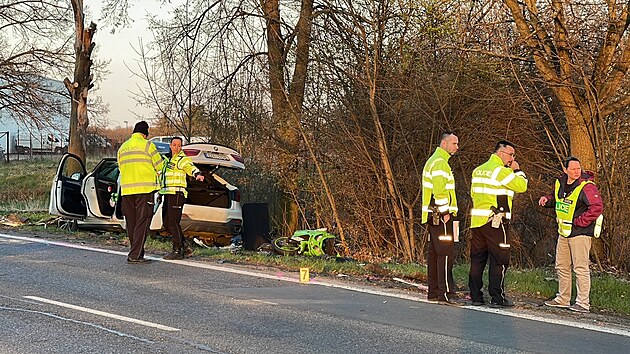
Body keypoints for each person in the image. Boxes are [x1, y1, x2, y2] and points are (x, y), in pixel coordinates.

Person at [539, 157, 603, 313]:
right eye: (573, 169)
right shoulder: (560, 183)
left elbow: (597, 207)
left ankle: (582, 303)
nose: (576, 171)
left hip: (580, 233)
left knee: (580, 268)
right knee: (561, 266)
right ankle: (563, 299)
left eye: (578, 168)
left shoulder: (587, 187)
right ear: (565, 170)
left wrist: (580, 222)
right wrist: (547, 200)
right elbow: (560, 200)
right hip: (564, 232)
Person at [468, 140, 528, 307]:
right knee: (500, 259)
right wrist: (518, 170)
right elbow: (521, 186)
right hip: (496, 221)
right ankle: (497, 297)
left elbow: (474, 194)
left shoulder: (478, 170)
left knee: (477, 259)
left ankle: (476, 296)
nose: (512, 158)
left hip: (478, 221)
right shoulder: (501, 171)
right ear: (500, 153)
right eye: (511, 154)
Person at [421, 131, 461, 305]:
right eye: (454, 143)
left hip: (433, 215)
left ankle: (434, 291)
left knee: (435, 253)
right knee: (445, 254)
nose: (457, 147)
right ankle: (445, 293)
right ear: (444, 144)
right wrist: (445, 213)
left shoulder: (436, 161)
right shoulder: (439, 163)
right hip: (441, 215)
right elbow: (440, 192)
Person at [117, 121, 164, 264]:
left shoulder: (123, 148)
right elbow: (160, 166)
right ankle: (135, 255)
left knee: (132, 223)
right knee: (142, 222)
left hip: (126, 191)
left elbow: (120, 168)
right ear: (145, 134)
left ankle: (137, 252)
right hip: (144, 190)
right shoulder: (148, 145)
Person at [160, 137, 204, 260]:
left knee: (173, 223)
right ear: (170, 145)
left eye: (179, 145)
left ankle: (177, 250)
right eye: (174, 145)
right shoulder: (166, 160)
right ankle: (185, 246)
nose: (176, 147)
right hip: (167, 193)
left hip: (177, 193)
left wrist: (197, 174)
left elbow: (190, 167)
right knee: (167, 223)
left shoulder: (182, 159)